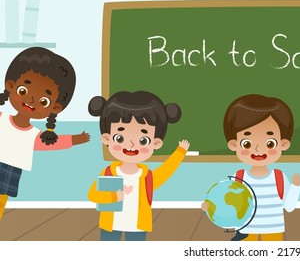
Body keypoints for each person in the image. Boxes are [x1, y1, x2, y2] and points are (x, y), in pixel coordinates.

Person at [0, 47, 90, 220]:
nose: (31, 100)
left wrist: (75, 139)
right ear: (11, 86)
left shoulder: (33, 135)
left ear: (55, 108)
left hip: (11, 171)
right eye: (23, 91)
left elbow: (51, 143)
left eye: (43, 100)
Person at [87, 91, 190, 241]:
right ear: (106, 138)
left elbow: (166, 171)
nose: (130, 144)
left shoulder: (147, 176)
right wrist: (113, 196)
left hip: (137, 226)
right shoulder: (109, 172)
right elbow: (93, 194)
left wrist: (179, 152)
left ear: (156, 143)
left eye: (143, 140)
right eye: (119, 137)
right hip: (110, 225)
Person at [202, 94, 300, 241]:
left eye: (270, 143)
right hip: (246, 231)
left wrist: (296, 186)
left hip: (273, 230)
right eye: (247, 143)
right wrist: (209, 207)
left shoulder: (279, 178)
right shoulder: (239, 177)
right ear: (234, 145)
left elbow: (289, 206)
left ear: (283, 144)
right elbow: (227, 204)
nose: (257, 148)